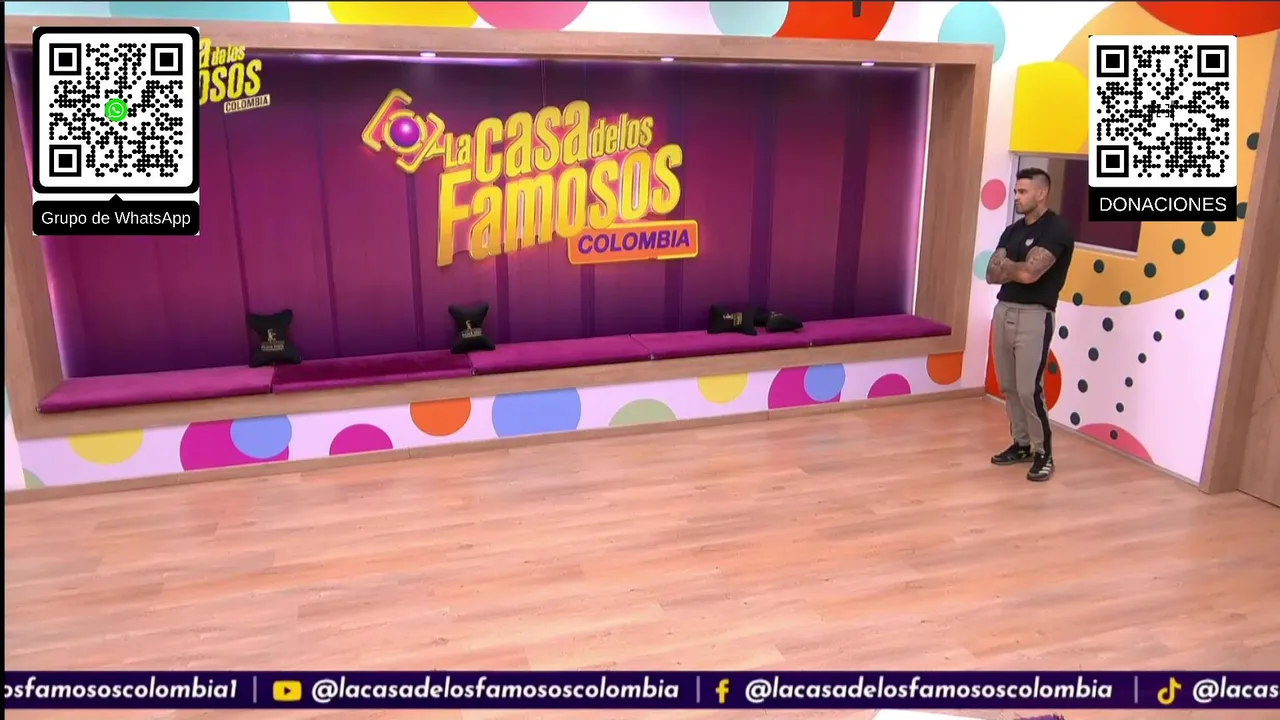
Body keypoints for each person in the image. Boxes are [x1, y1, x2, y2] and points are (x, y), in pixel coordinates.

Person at [984, 167, 1075, 482]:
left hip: (1035, 315)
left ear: (1041, 193)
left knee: (1029, 389)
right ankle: (1021, 444)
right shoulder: (1012, 230)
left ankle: (1043, 453)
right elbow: (991, 274)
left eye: (1022, 192)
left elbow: (1028, 274)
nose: (1016, 197)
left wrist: (1009, 265)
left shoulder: (1056, 230)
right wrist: (1015, 268)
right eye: (1015, 191)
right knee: (1008, 386)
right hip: (1004, 310)